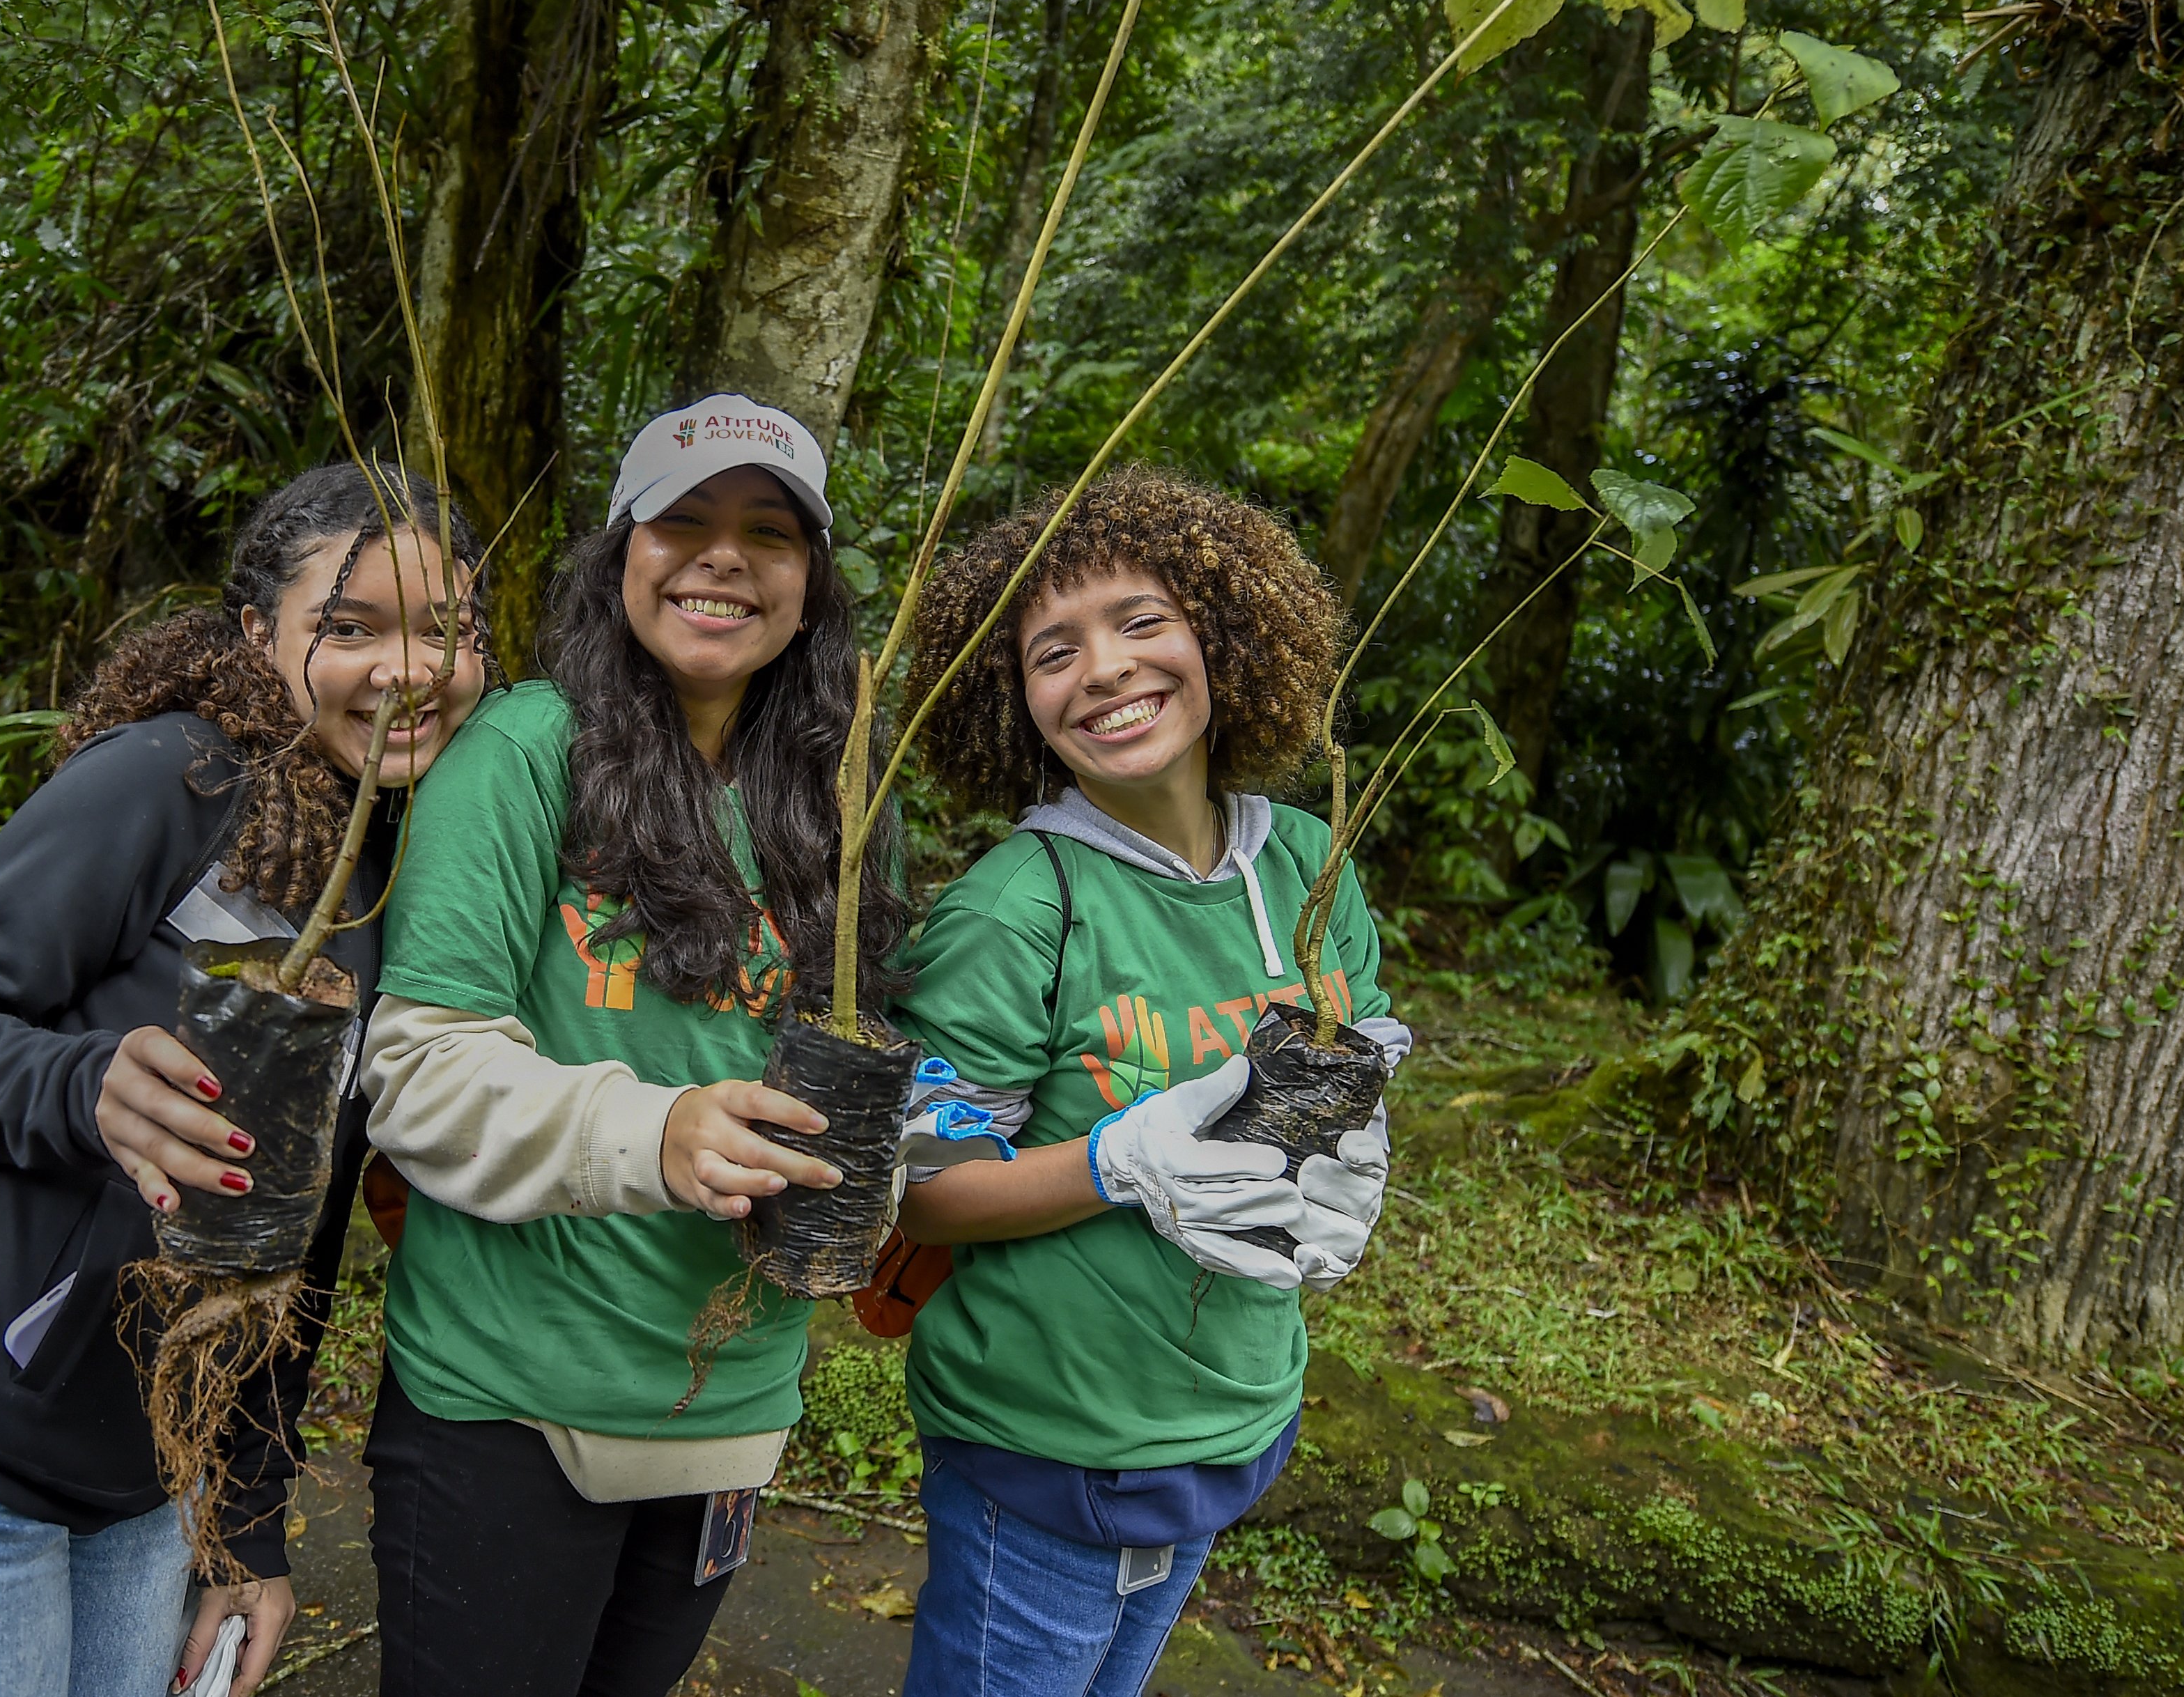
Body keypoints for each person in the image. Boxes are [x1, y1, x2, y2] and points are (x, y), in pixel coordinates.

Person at [0, 460, 488, 1697]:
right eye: (350, 628)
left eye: (446, 632)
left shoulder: (404, 869)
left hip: (147, 1483)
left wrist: (240, 1525)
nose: (406, 670)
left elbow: (294, 1241)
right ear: (260, 636)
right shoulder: (175, 779)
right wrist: (84, 1085)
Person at [352, 394, 908, 1697]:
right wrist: (653, 1134)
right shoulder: (526, 753)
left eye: (768, 534)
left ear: (811, 584)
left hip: (731, 1408)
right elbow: (420, 1066)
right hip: (513, 1403)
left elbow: (874, 1069)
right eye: (684, 523)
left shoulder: (842, 802)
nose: (725, 556)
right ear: (621, 558)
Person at [889, 465, 1411, 1697]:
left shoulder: (1305, 864)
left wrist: (1355, 1123)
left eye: (1141, 622)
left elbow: (1358, 1030)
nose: (1107, 669)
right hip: (1052, 1441)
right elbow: (923, 1196)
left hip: (1231, 1415)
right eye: (1052, 652)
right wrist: (1123, 1163)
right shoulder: (1015, 910)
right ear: (1014, 704)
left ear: (1223, 638)